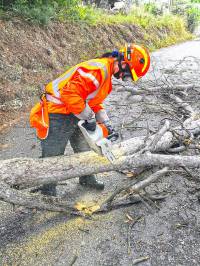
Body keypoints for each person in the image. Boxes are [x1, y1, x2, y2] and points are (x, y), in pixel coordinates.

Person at [30, 43, 151, 196]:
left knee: (84, 147)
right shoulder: (98, 70)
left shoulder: (105, 73)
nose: (122, 77)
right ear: (122, 62)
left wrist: (105, 122)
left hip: (75, 111)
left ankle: (87, 178)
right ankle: (47, 192)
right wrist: (89, 117)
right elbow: (69, 95)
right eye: (127, 74)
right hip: (58, 112)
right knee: (53, 154)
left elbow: (93, 101)